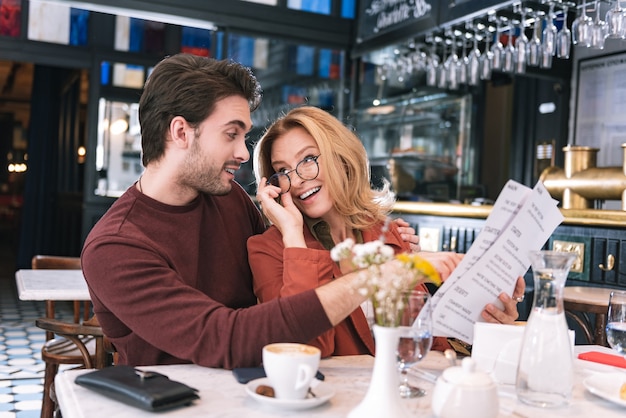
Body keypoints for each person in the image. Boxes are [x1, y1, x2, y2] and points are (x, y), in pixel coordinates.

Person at [80, 53, 421, 369]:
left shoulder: (229, 199)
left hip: (257, 388)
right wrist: (373, 279)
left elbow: (278, 291)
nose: (243, 153)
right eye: (231, 134)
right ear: (181, 132)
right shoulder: (115, 246)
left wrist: (387, 242)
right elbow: (224, 338)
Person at [247, 106, 525, 358]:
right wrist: (294, 236)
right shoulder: (267, 250)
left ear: (342, 158)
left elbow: (425, 336)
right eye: (282, 171)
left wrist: (486, 320)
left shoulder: (385, 232)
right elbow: (302, 350)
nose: (295, 180)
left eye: (308, 159)